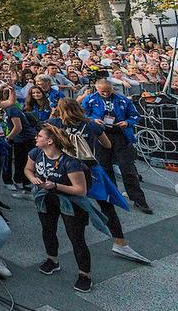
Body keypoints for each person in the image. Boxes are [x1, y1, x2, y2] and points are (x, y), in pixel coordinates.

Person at [48, 98, 149, 264]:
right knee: (106, 205)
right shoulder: (91, 124)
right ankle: (119, 242)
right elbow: (107, 145)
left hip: (65, 170)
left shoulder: (54, 123)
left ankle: (57, 257)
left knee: (68, 210)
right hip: (89, 168)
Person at [25, 125, 108, 293]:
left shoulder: (70, 162)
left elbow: (80, 190)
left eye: (40, 136)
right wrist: (33, 178)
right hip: (46, 197)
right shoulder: (36, 153)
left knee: (76, 237)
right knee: (48, 229)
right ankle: (52, 259)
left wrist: (55, 185)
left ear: (50, 141)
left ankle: (84, 274)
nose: (36, 138)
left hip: (70, 202)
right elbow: (28, 169)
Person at [81, 78, 151, 214]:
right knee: (105, 167)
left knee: (128, 168)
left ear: (112, 88)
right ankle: (112, 196)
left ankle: (138, 199)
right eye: (102, 92)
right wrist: (92, 120)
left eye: (108, 91)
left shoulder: (123, 99)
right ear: (97, 89)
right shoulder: (90, 99)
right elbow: (83, 114)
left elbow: (135, 116)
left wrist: (127, 122)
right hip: (101, 134)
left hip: (120, 135)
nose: (106, 94)